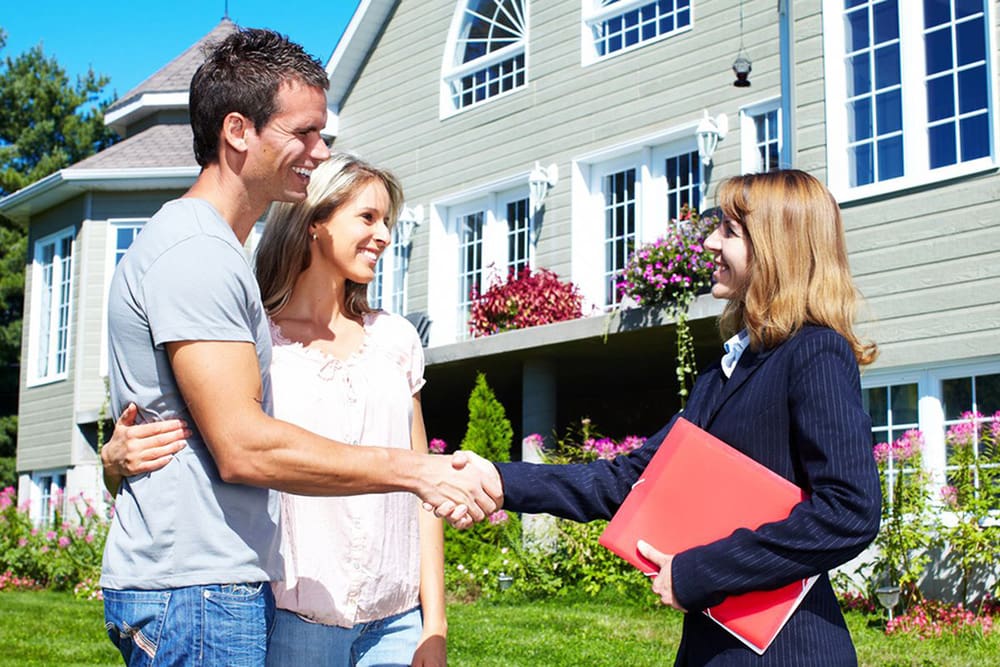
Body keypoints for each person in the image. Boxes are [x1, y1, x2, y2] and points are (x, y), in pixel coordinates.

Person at [100, 28, 496, 666]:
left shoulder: (215, 255)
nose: (320, 149)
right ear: (238, 131)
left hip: (215, 584)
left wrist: (113, 459)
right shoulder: (198, 254)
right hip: (196, 589)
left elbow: (171, 418)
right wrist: (415, 470)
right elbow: (242, 446)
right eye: (303, 132)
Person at [472, 169, 882, 666]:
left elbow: (849, 512)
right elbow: (634, 479)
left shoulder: (816, 353)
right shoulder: (725, 372)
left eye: (729, 231)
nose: (710, 242)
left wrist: (699, 572)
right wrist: (498, 480)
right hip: (713, 643)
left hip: (785, 651)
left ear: (777, 247)